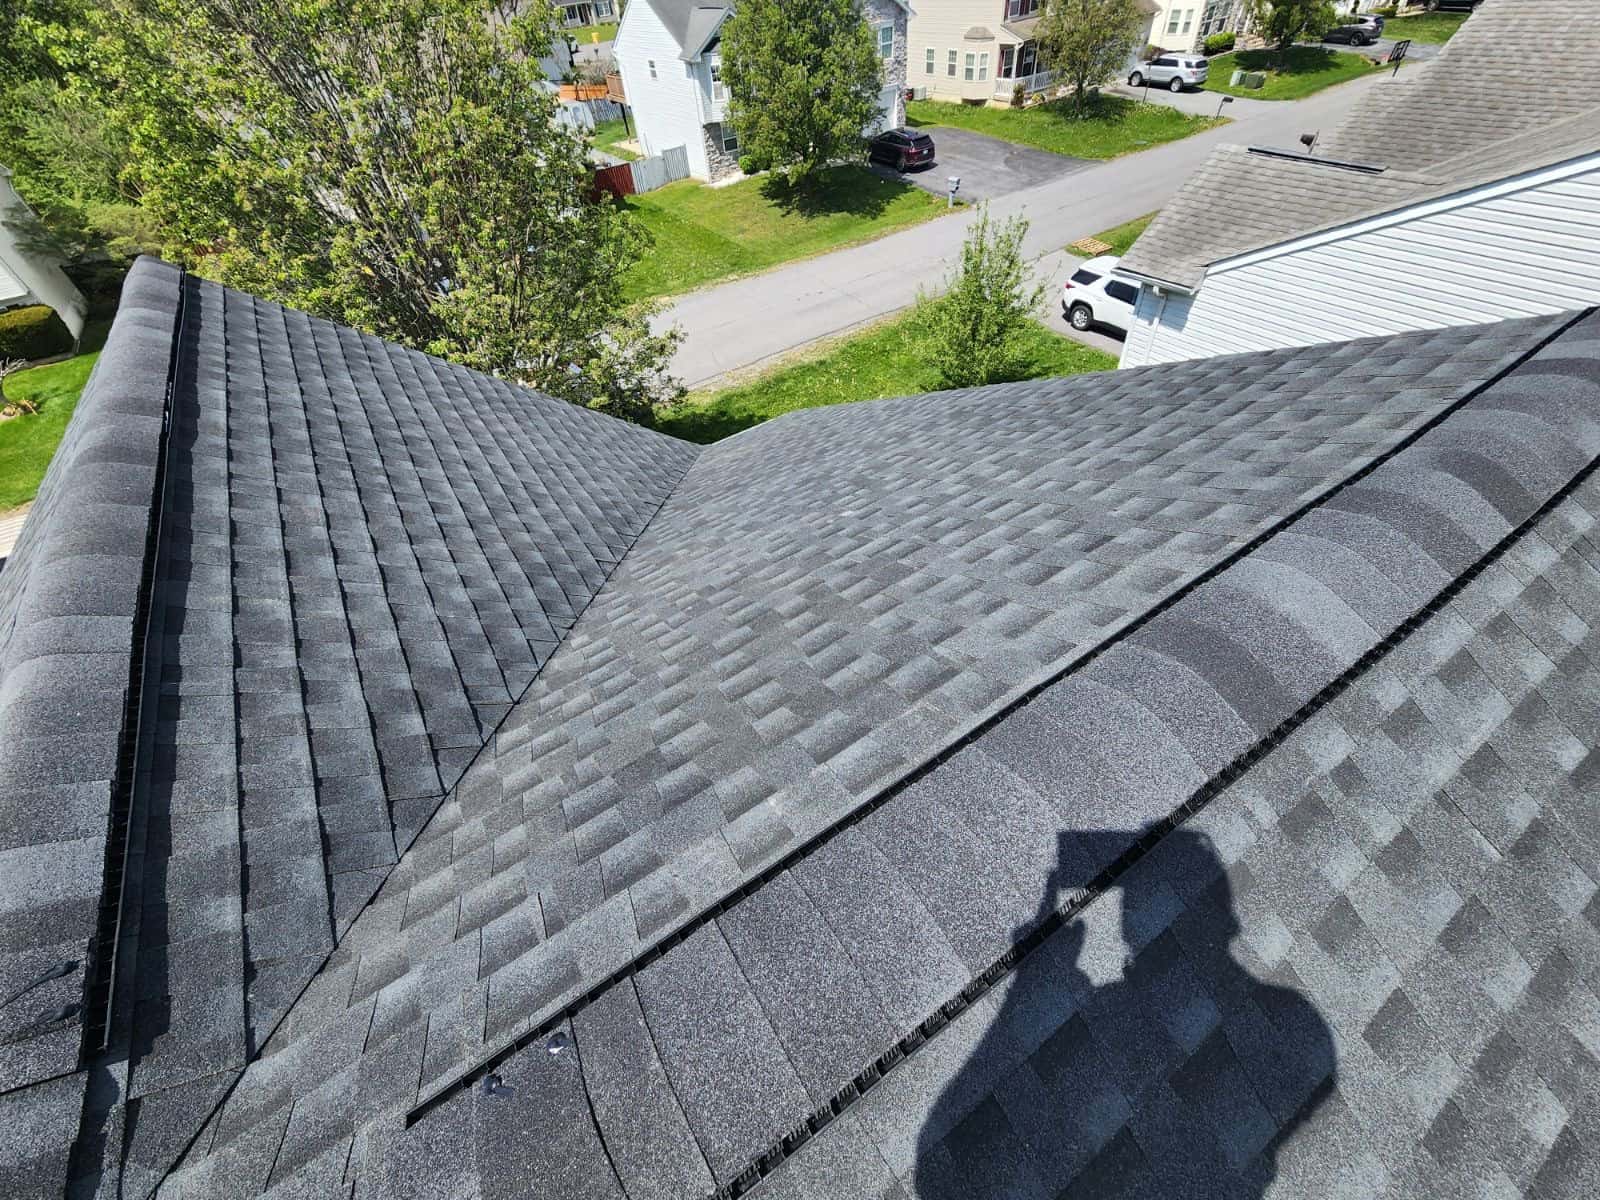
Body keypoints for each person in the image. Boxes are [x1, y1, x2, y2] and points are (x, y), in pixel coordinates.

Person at [913, 829, 1336, 1198]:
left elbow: (937, 1173)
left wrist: (1024, 994)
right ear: (1226, 919)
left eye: (1127, 909)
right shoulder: (1295, 1019)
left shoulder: (1113, 1007)